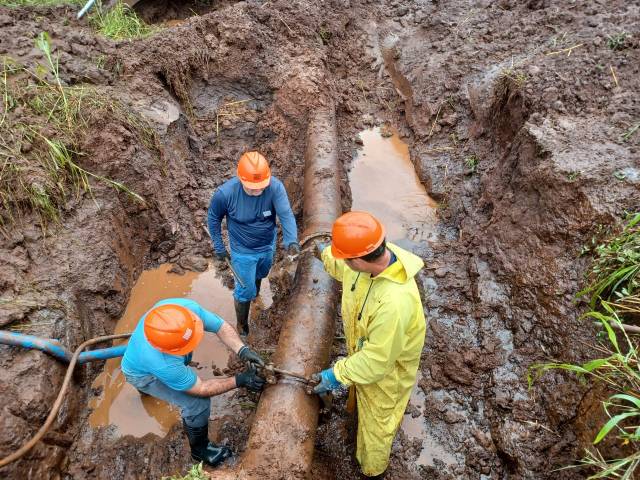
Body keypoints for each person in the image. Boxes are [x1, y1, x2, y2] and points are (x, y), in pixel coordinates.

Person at [312, 211, 426, 477]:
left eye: (345, 258)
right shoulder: (371, 260)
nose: (344, 262)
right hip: (363, 356)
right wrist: (323, 253)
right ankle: (356, 419)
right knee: (359, 399)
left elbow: (376, 362)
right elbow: (342, 267)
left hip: (387, 375)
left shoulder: (394, 304)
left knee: (378, 428)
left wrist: (336, 374)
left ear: (359, 260)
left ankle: (372, 471)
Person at [121, 298, 267, 467]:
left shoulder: (184, 310)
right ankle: (200, 450)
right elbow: (201, 389)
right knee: (196, 403)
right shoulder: (163, 363)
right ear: (169, 350)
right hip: (142, 375)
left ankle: (147, 392)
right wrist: (240, 380)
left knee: (178, 376)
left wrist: (243, 350)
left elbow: (219, 326)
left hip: (148, 357)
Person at [207, 151, 300, 336]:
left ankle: (255, 293)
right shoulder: (225, 194)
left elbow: (286, 214)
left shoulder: (275, 188)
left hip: (267, 245)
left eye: (261, 187)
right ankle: (242, 327)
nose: (257, 191)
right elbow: (213, 218)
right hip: (243, 251)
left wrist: (291, 241)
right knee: (244, 290)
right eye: (252, 188)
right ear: (240, 179)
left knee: (262, 273)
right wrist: (219, 246)